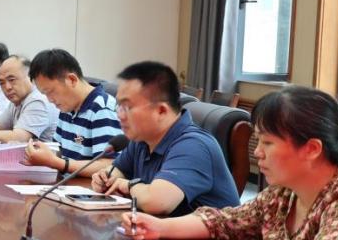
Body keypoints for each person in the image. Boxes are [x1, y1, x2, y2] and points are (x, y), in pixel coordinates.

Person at [122, 86, 338, 240]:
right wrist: (159, 227)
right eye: (258, 141)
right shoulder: (283, 194)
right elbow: (226, 221)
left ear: (312, 149)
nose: (258, 152)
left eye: (268, 143)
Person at [91, 61, 238, 216]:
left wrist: (128, 186)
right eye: (119, 106)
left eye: (128, 107)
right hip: (157, 228)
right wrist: (105, 179)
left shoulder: (194, 145)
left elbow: (157, 203)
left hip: (203, 233)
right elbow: (119, 171)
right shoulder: (141, 139)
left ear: (161, 111)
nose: (120, 115)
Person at [24, 49, 122, 175]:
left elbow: (110, 165)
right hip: (66, 182)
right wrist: (40, 154)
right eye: (44, 94)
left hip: (87, 186)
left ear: (71, 80)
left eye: (51, 92)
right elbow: (58, 151)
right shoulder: (66, 108)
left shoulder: (102, 108)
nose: (49, 100)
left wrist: (57, 163)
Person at [0, 56, 58, 143]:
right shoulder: (17, 100)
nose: (7, 87)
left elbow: (19, 138)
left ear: (30, 77)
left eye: (12, 80)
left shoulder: (38, 100)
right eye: (2, 83)